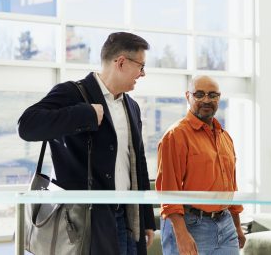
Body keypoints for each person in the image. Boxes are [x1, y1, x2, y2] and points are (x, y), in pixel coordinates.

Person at [18, 32, 156, 255]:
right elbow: (27, 125)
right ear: (121, 62)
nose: (143, 74)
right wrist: (86, 114)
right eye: (141, 66)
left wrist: (146, 219)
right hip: (86, 220)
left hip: (127, 218)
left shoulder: (132, 106)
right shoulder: (72, 93)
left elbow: (138, 162)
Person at [155, 75, 246, 255]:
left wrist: (237, 226)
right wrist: (181, 235)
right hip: (190, 224)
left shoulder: (225, 137)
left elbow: (231, 186)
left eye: (213, 95)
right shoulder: (175, 136)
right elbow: (168, 191)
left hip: (226, 225)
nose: (206, 100)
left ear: (219, 98)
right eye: (199, 94)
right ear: (187, 96)